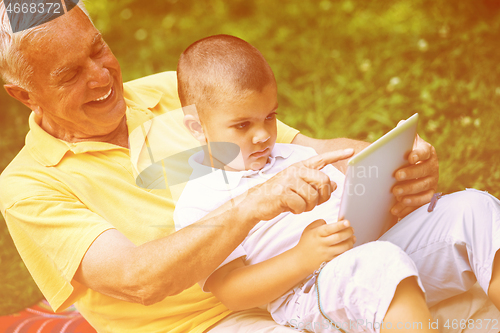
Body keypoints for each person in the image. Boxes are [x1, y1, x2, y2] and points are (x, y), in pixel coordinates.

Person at [0, 2, 469, 333]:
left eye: (97, 49)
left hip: (294, 275)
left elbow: (309, 149)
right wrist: (253, 204)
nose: (101, 76)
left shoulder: (168, 92)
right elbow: (137, 278)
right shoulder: (28, 186)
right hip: (207, 323)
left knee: (473, 229)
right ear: (24, 94)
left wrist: (395, 159)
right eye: (70, 74)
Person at [174, 34, 440, 333]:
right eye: (243, 125)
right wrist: (302, 258)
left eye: (270, 117)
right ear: (198, 128)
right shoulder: (200, 200)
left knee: (473, 210)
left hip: (367, 252)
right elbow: (230, 291)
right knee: (380, 263)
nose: (263, 135)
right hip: (305, 288)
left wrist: (390, 182)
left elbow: (357, 213)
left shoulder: (299, 156)